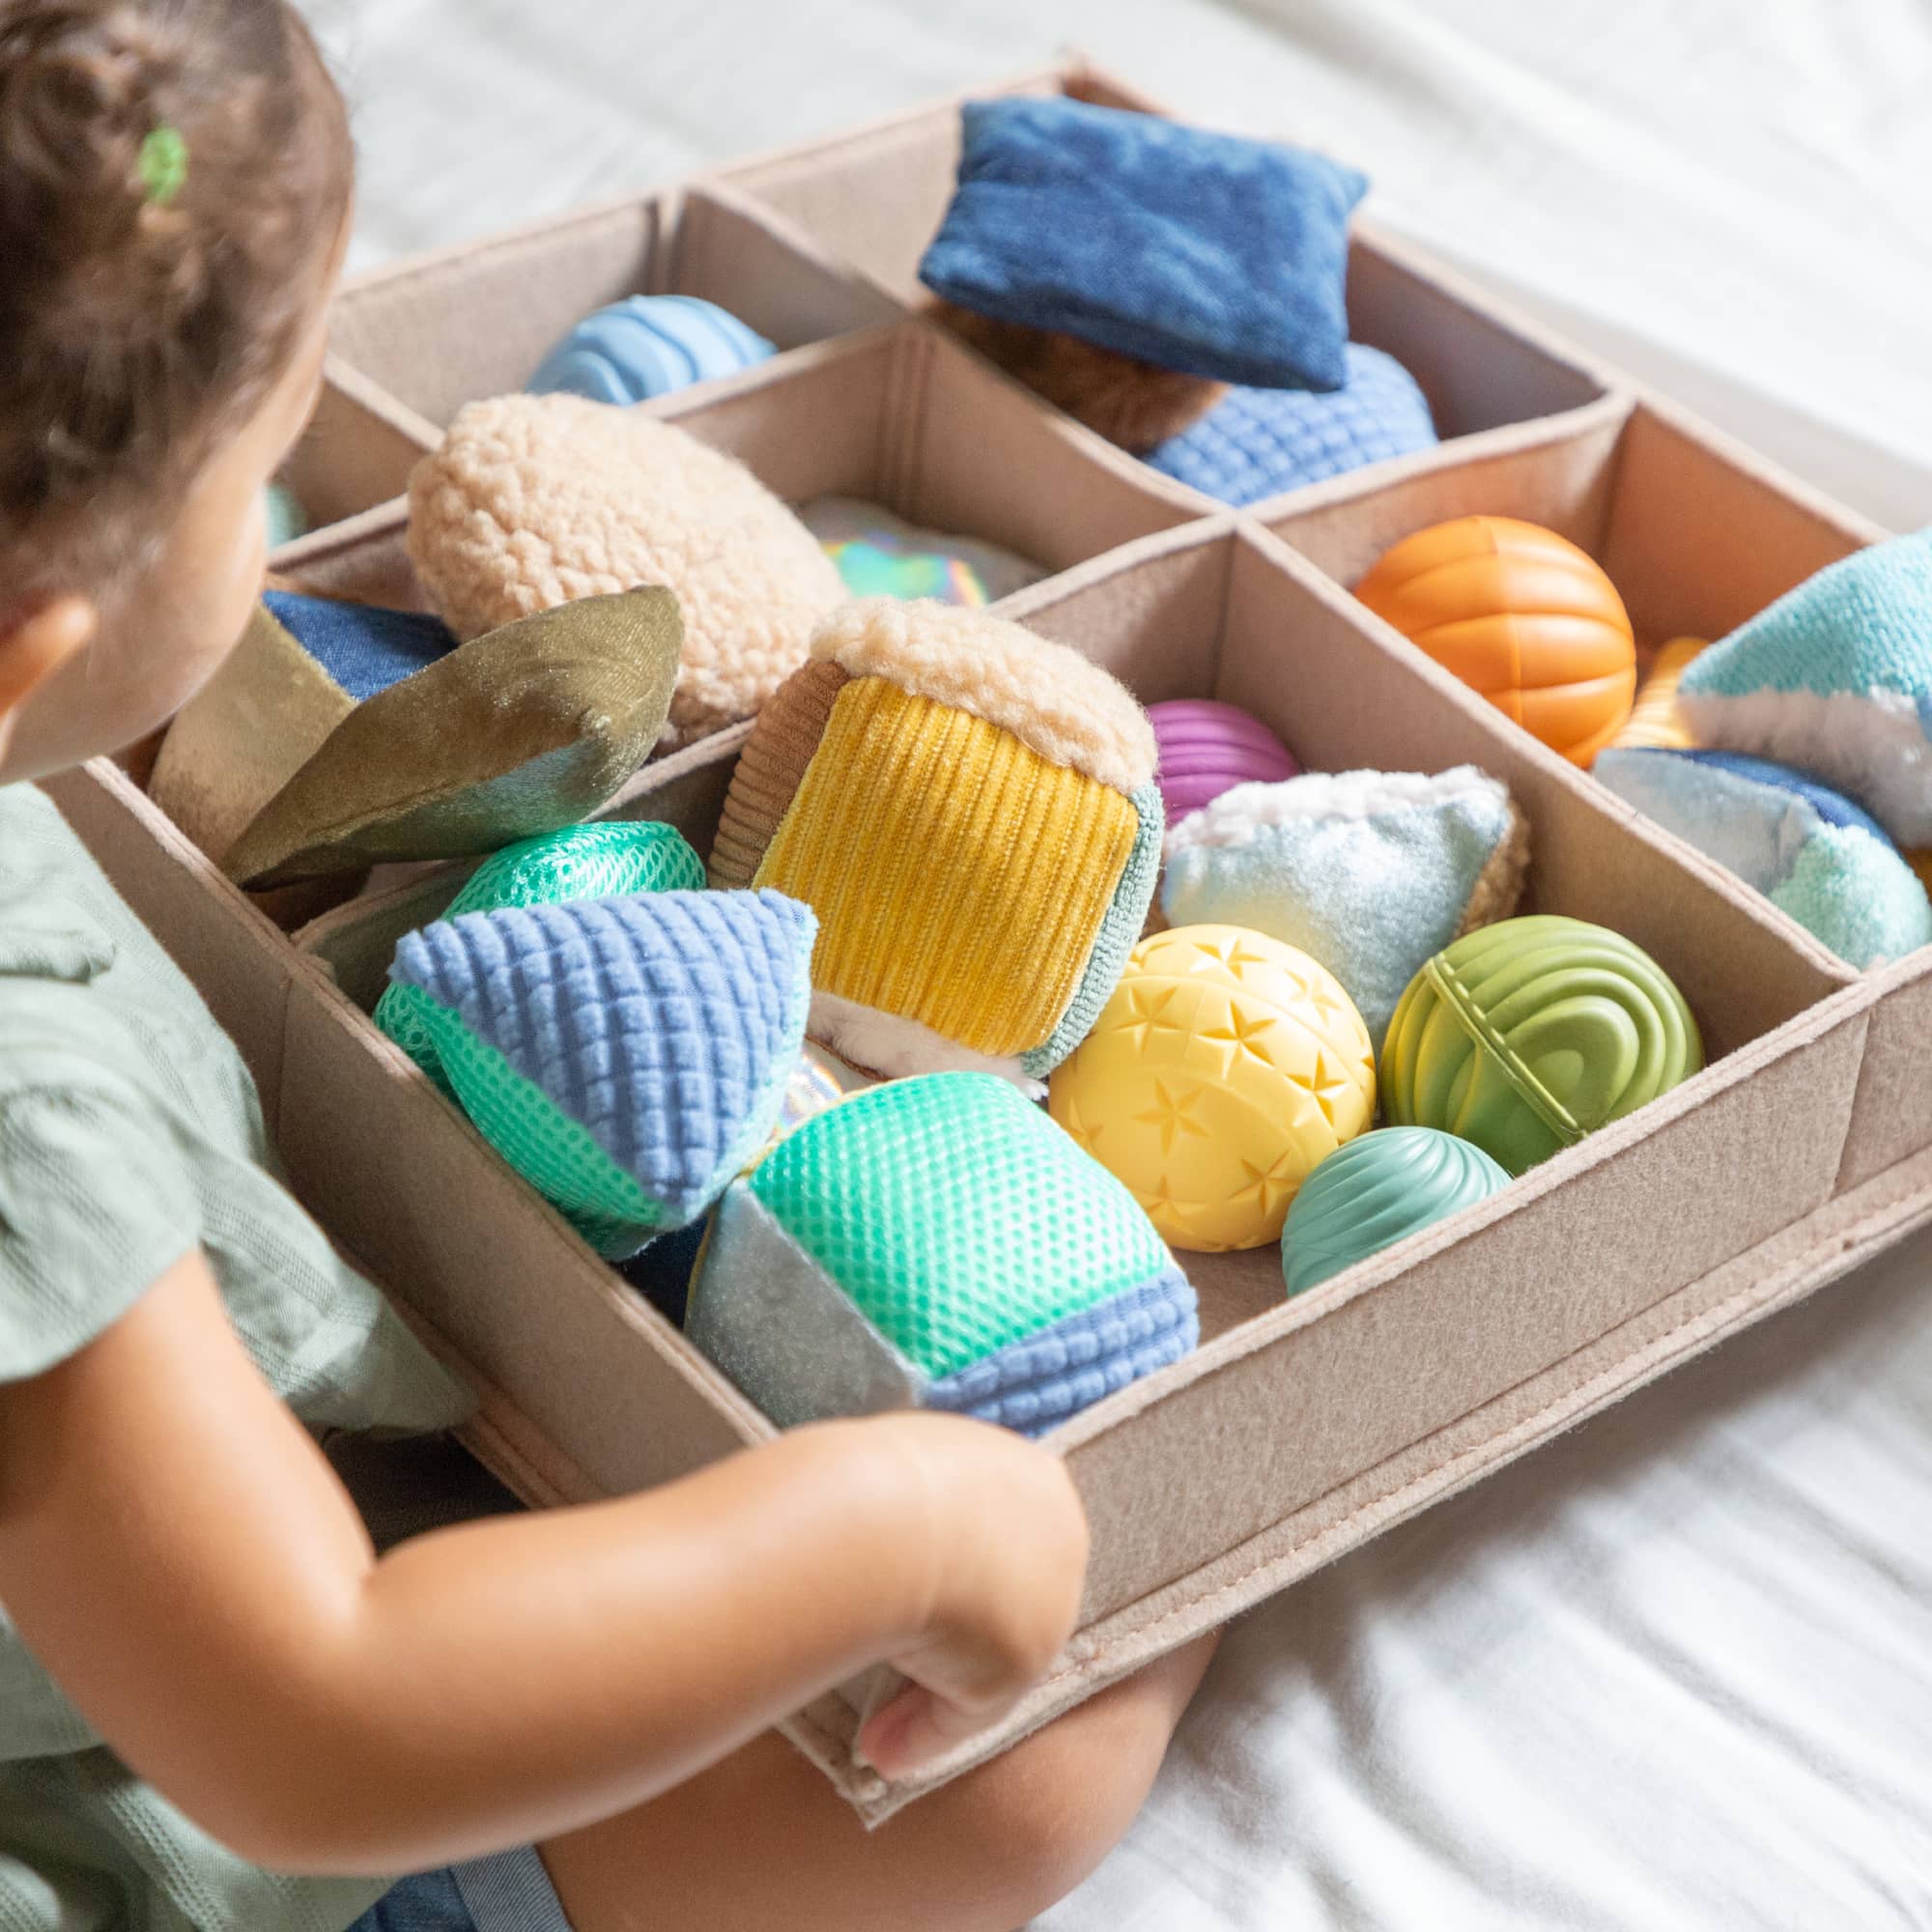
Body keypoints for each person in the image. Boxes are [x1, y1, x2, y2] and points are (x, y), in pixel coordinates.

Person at [0, 4, 1216, 1929]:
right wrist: (897, 1524)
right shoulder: (26, 1119)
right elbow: (317, 1720)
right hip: (153, 1795)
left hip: (185, 1563)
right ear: (36, 646)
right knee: (1065, 1715)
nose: (302, 510)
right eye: (273, 465)